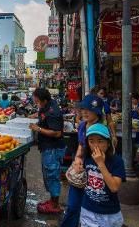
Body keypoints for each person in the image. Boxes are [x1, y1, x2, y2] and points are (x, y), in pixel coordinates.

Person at [61, 95, 104, 227]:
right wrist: (78, 159)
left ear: (96, 111)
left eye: (88, 109)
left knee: (93, 209)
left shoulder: (101, 129)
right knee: (73, 206)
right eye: (83, 109)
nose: (84, 112)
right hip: (81, 172)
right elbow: (81, 144)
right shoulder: (82, 126)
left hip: (97, 173)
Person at [80, 123, 126, 227]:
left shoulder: (117, 161)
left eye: (100, 141)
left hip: (109, 213)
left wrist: (101, 163)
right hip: (88, 209)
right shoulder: (87, 158)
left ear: (108, 143)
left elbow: (114, 187)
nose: (95, 145)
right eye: (91, 141)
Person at [29, 88, 65, 214]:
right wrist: (35, 116)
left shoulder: (53, 111)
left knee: (52, 175)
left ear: (44, 100)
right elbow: (42, 115)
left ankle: (55, 205)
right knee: (49, 175)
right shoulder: (47, 105)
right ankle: (52, 201)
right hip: (47, 147)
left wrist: (37, 128)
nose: (36, 104)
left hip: (53, 149)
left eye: (38, 102)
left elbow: (56, 132)